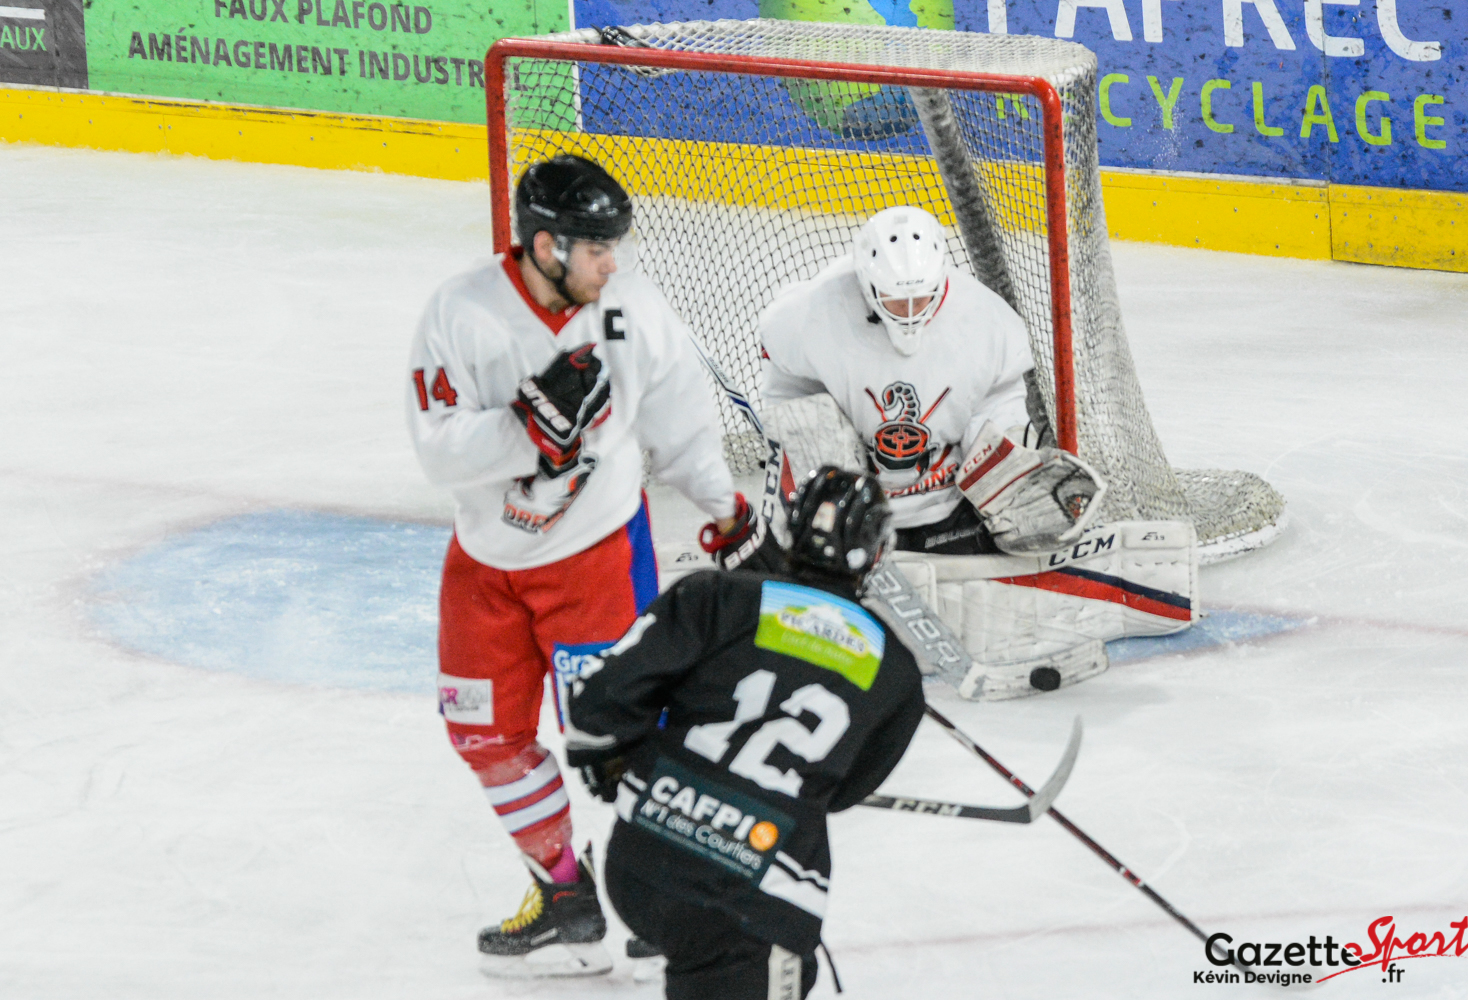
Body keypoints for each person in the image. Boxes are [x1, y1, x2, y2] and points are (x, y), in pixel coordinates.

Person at [406, 154, 767, 976]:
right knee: (484, 735)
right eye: (598, 248)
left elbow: (681, 430)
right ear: (546, 246)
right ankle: (565, 895)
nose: (614, 263)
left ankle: (666, 904)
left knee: (621, 738)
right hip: (485, 568)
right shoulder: (461, 312)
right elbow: (436, 450)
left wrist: (726, 511)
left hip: (596, 559)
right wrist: (525, 429)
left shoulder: (635, 310)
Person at [756, 206, 1194, 696]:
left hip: (942, 505)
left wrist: (1005, 466)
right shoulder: (811, 313)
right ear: (866, 283)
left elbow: (999, 401)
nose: (910, 312)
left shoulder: (987, 320)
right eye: (896, 300)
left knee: (1015, 522)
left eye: (922, 297)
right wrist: (816, 453)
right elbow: (784, 385)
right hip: (859, 499)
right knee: (806, 447)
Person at [564, 467, 925, 1000]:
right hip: (753, 900)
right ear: (875, 553)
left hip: (642, 865)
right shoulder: (896, 672)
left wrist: (614, 760)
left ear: (788, 529)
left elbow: (597, 704)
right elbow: (841, 792)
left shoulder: (714, 596)